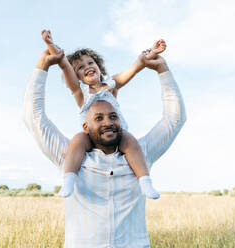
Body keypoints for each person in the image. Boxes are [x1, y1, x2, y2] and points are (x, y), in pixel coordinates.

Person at [23, 46, 186, 247]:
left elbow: (174, 119)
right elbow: (34, 118)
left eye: (113, 116)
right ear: (86, 125)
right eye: (98, 118)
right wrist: (43, 66)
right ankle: (68, 180)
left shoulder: (138, 153)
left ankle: (146, 182)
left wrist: (162, 71)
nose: (107, 122)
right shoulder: (71, 155)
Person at [41, 29, 166, 199]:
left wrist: (150, 54)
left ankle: (145, 182)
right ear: (76, 75)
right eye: (80, 67)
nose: (88, 67)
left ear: (98, 66)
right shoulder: (80, 91)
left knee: (130, 141)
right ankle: (68, 180)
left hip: (116, 134)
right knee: (78, 140)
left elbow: (134, 68)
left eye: (91, 63)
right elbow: (63, 64)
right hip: (92, 136)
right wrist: (51, 46)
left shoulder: (111, 85)